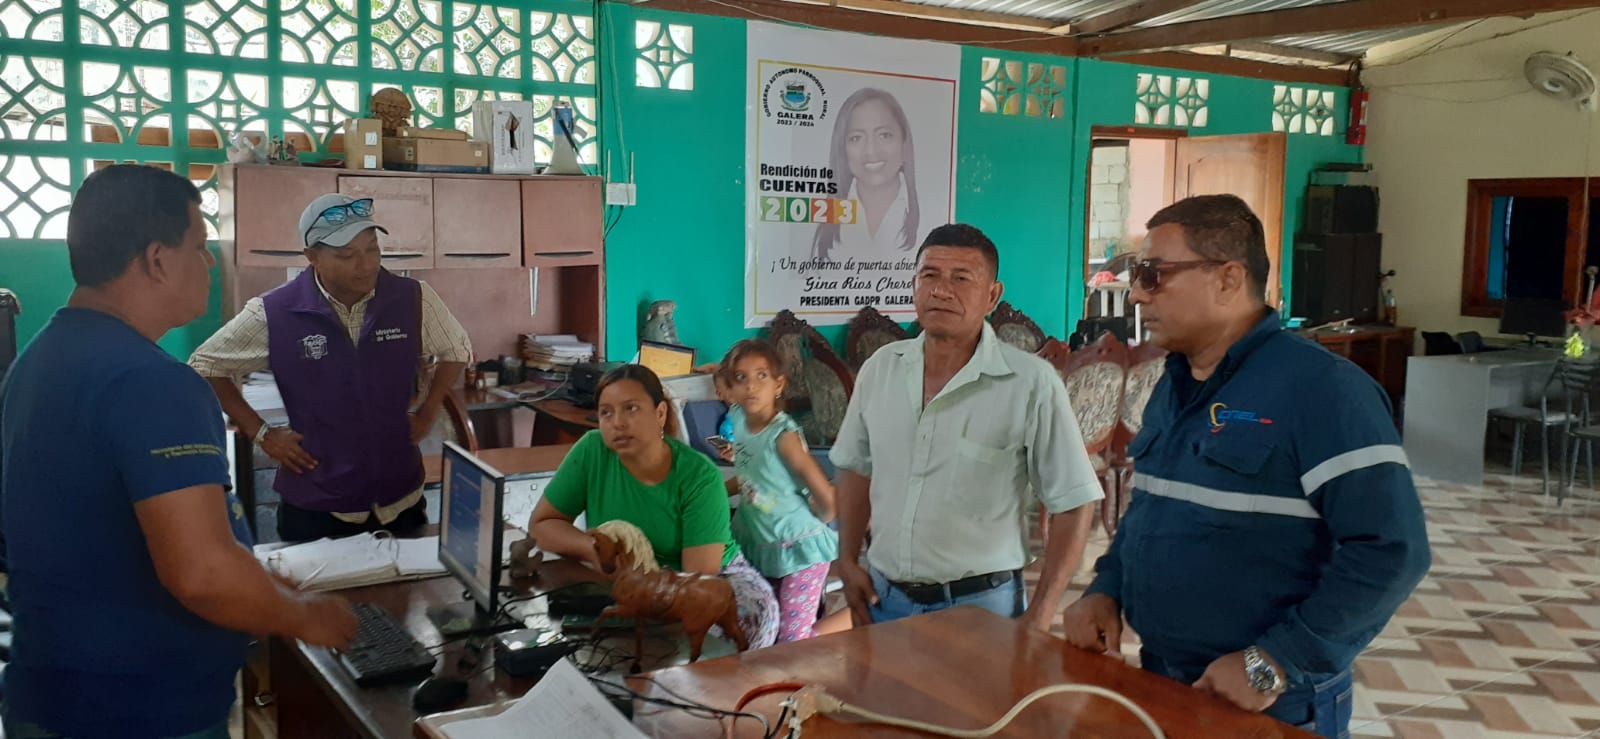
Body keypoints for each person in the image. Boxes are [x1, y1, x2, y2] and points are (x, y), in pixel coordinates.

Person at [0, 165, 356, 739]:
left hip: (48, 698)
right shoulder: (151, 382)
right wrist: (306, 617)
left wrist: (273, 591)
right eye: (199, 245)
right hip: (137, 716)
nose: (210, 262)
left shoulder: (37, 361)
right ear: (157, 259)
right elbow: (202, 573)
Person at [1060, 195, 1430, 739]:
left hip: (1272, 698)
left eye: (1153, 274)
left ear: (1228, 279)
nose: (1136, 292)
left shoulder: (1324, 390)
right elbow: (1151, 508)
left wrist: (1275, 661)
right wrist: (1106, 588)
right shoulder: (1173, 383)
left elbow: (1392, 551)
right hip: (1165, 675)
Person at [829, 223, 1103, 632]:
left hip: (982, 610)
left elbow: (1075, 501)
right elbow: (855, 466)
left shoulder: (1030, 383)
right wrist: (848, 558)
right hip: (882, 600)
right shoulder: (881, 369)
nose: (941, 291)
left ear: (992, 295)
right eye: (929, 275)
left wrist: (1042, 614)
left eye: (961, 279)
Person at [190, 193, 471, 542]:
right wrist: (262, 433)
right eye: (346, 255)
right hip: (316, 507)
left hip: (402, 501)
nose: (365, 265)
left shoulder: (412, 297)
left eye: (372, 249)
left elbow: (456, 349)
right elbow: (204, 365)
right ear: (312, 257)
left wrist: (428, 412)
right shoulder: (275, 312)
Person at [529, 365, 781, 649]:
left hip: (716, 581)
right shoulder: (592, 451)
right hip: (630, 579)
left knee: (693, 637)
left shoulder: (699, 477)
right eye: (606, 412)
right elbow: (542, 525)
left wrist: (633, 576)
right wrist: (597, 551)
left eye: (631, 409)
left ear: (660, 413)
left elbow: (697, 582)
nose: (618, 423)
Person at [715, 339, 838, 643]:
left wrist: (817, 520)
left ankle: (857, 615)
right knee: (762, 628)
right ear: (730, 388)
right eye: (741, 378)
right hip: (757, 541)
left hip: (798, 547)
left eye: (762, 376)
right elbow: (749, 477)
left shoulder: (783, 438)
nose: (751, 386)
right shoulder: (738, 418)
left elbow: (827, 499)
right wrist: (714, 492)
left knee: (792, 639)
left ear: (779, 384)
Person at [812, 88, 920, 260]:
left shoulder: (934, 214)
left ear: (904, 143)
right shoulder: (822, 223)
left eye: (884, 135)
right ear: (843, 149)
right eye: (856, 138)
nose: (871, 150)